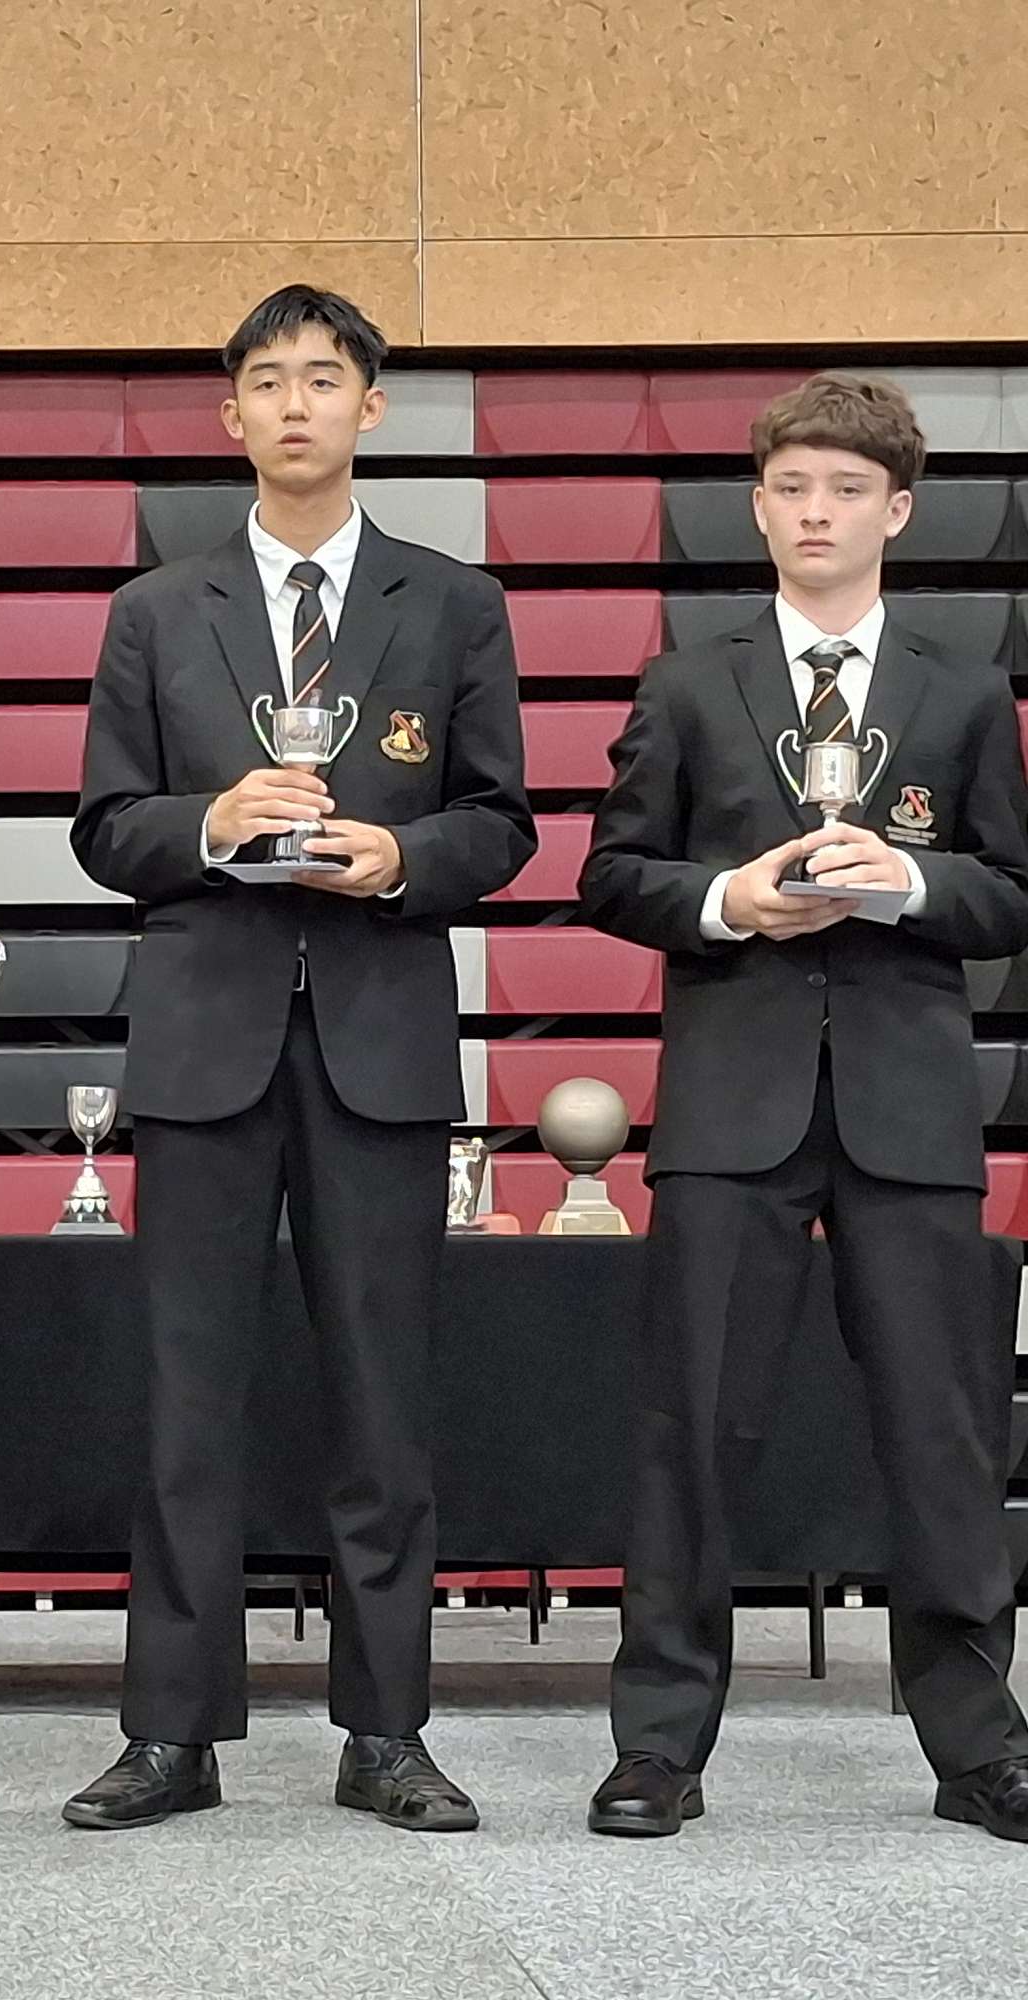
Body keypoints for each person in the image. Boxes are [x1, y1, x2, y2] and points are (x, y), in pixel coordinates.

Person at [63, 285, 535, 1831]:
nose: (293, 405)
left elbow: (501, 824)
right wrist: (211, 823)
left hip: (379, 1042)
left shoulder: (453, 603)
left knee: (384, 1405)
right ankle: (172, 1732)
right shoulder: (157, 608)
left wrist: (396, 860)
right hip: (204, 1042)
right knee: (186, 1403)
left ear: (368, 408)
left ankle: (386, 1730)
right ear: (231, 416)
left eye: (322, 380)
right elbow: (105, 826)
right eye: (265, 382)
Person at [580, 374, 1028, 1843]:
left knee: (943, 1429)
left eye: (843, 490)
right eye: (790, 488)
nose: (814, 512)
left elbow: (1009, 891)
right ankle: (658, 1745)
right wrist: (729, 899)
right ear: (758, 507)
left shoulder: (963, 689)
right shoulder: (685, 682)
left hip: (908, 1101)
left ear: (897, 510)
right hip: (731, 1098)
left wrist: (908, 883)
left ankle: (978, 1746)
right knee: (690, 1426)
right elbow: (613, 874)